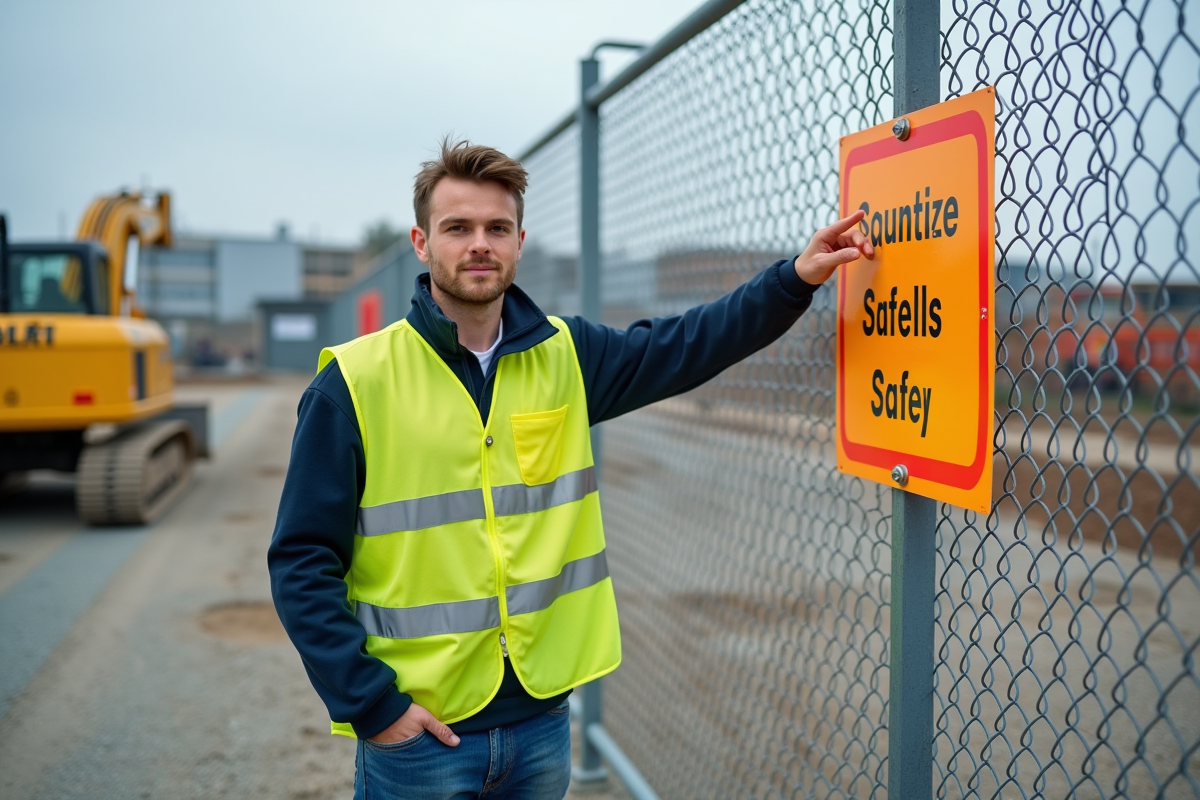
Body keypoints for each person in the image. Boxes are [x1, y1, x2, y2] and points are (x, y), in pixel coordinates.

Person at [268, 139, 873, 799]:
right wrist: (372, 706)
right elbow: (301, 560)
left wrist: (794, 279)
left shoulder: (567, 356)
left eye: (497, 228)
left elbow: (692, 342)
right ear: (421, 242)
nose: (479, 244)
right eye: (458, 228)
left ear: (519, 241)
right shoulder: (353, 383)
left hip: (540, 723)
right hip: (419, 736)